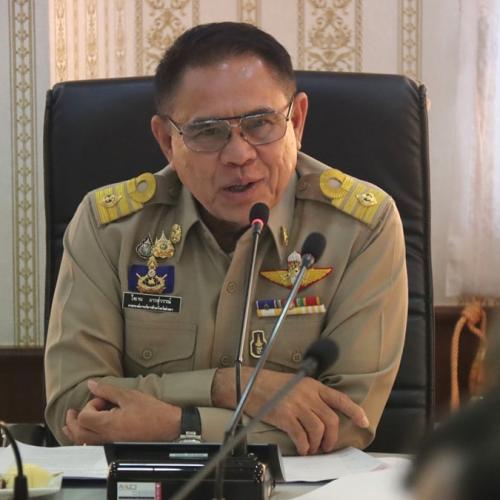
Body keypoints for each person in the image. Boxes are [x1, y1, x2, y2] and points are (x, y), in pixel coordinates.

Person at [44, 22, 408, 456]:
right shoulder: (109, 227)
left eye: (261, 124)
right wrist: (228, 387)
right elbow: (74, 408)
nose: (239, 155)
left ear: (296, 121)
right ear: (167, 141)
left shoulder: (361, 226)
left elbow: (344, 422)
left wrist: (180, 425)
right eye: (207, 132)